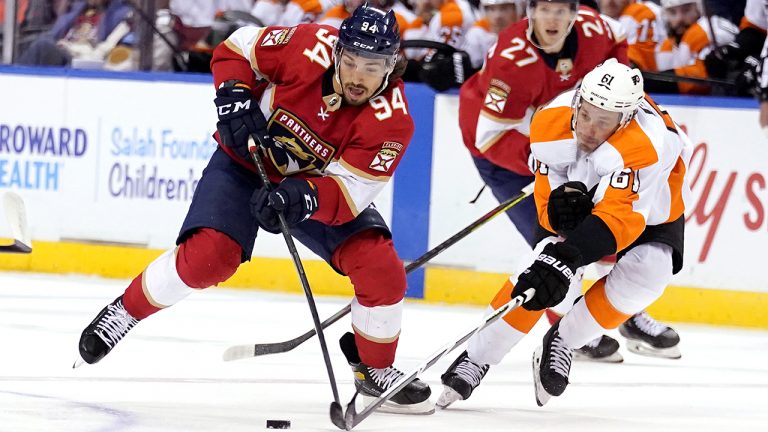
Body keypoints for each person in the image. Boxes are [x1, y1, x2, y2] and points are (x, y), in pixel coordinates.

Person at [74, 3, 434, 415]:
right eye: (351, 62)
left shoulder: (392, 121)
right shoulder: (308, 44)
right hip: (245, 162)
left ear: (391, 66)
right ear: (337, 51)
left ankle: (375, 371)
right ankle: (124, 311)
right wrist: (234, 94)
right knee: (210, 258)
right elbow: (237, 47)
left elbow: (350, 191)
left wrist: (302, 196)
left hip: (312, 190)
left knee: (380, 268)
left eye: (371, 68)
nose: (357, 77)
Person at [438, 58, 691, 408]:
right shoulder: (549, 123)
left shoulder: (645, 146)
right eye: (585, 114)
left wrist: (568, 256)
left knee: (649, 272)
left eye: (603, 122)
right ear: (577, 101)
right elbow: (546, 203)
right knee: (540, 271)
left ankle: (564, 340)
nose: (588, 128)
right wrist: (557, 235)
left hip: (650, 205)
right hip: (587, 187)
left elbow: (620, 219)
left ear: (625, 120)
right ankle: (476, 357)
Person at [457, 0, 651, 364]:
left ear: (576, 13)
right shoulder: (511, 61)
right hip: (505, 152)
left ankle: (625, 313)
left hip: (571, 141)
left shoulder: (596, 29)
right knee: (553, 237)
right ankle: (564, 327)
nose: (553, 18)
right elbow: (489, 137)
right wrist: (552, 162)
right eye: (545, 9)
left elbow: (619, 36)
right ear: (528, 11)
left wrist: (620, 80)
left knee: (603, 222)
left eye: (562, 10)